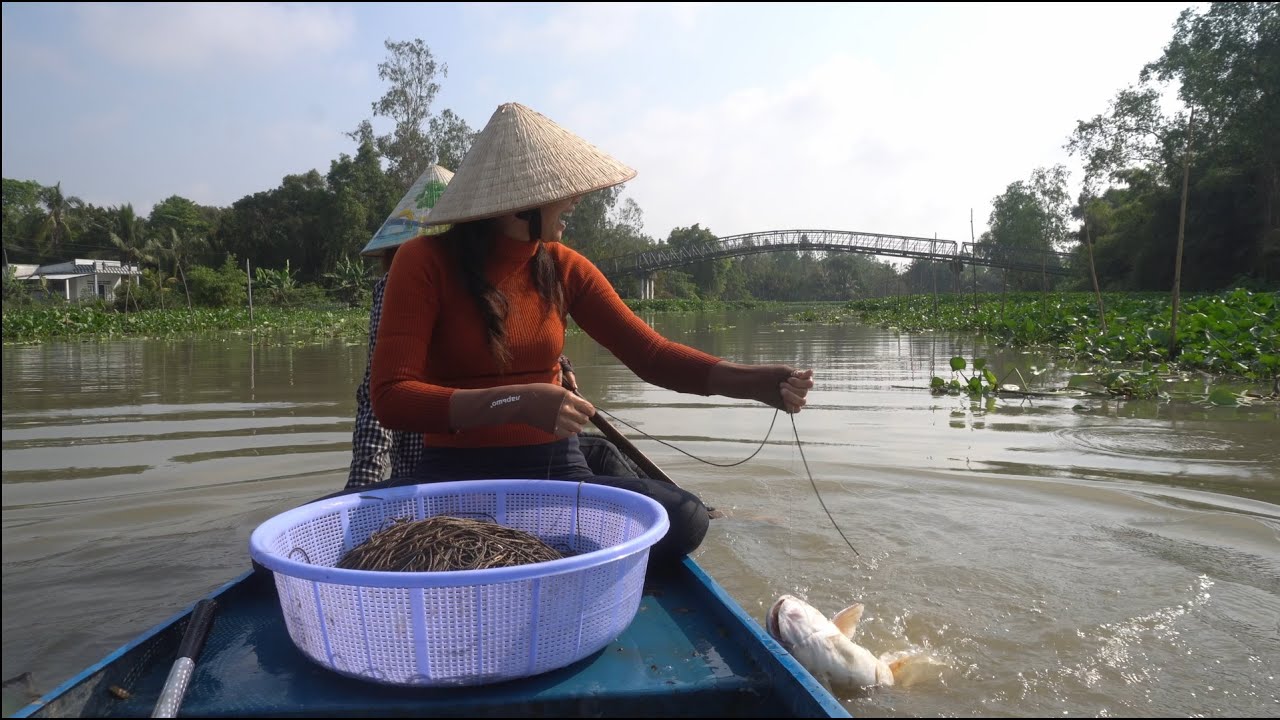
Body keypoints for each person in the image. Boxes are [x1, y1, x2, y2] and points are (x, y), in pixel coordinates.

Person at [369, 102, 814, 565]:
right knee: (295, 558)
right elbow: (391, 397)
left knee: (686, 518)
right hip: (458, 478)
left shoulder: (563, 267)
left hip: (554, 469)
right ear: (521, 206)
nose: (575, 200)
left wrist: (756, 382)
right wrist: (519, 400)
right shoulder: (423, 262)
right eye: (561, 193)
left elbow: (652, 354)